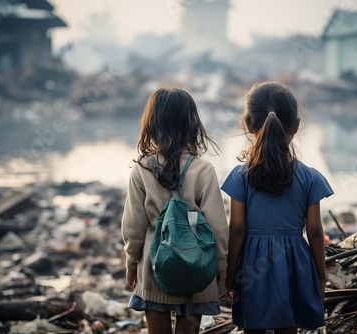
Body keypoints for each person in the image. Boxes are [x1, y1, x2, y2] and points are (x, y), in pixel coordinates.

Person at [221, 82, 333, 334]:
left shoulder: (241, 176)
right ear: (295, 125)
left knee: (253, 327)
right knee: (288, 327)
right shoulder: (310, 177)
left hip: (251, 266)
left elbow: (237, 229)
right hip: (294, 264)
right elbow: (315, 231)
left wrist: (229, 275)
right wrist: (321, 276)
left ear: (249, 124)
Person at [121, 87, 229, 334]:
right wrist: (221, 271)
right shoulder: (203, 169)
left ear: (152, 123)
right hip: (198, 266)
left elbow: (133, 226)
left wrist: (131, 263)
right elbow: (218, 228)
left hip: (154, 265)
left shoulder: (142, 168)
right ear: (192, 123)